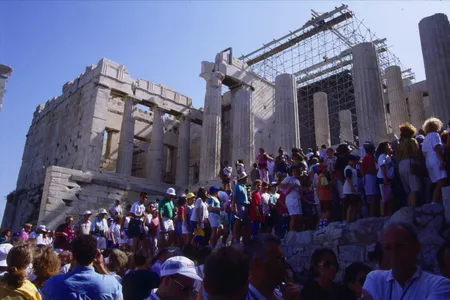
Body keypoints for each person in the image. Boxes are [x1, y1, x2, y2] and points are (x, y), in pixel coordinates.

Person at [363, 221, 450, 299]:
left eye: (400, 246)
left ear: (416, 247)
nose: (394, 253)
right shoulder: (375, 279)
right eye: (387, 248)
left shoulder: (439, 285)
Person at [42, 235, 122, 299]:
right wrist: (101, 266)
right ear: (96, 254)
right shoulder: (111, 285)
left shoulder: (52, 284)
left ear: (73, 255)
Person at [246, 234, 301, 300]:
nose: (285, 264)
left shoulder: (282, 294)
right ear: (257, 264)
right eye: (279, 259)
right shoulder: (241, 297)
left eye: (283, 259)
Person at [397, 123, 423, 208]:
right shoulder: (412, 141)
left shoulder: (399, 144)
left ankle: (408, 208)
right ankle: (413, 208)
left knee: (408, 190)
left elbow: (397, 157)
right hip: (410, 163)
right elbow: (416, 153)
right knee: (414, 188)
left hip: (401, 165)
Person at [422, 117, 447, 203]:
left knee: (437, 182)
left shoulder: (426, 138)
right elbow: (436, 147)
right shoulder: (434, 135)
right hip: (435, 159)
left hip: (428, 161)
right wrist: (442, 160)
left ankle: (438, 201)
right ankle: (434, 202)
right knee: (441, 181)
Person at [279, 165, 302, 232]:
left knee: (299, 216)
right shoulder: (288, 178)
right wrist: (291, 185)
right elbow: (281, 186)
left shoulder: (297, 180)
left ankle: (297, 231)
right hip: (291, 199)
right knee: (293, 216)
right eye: (293, 171)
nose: (294, 173)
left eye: (296, 171)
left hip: (297, 199)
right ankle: (291, 231)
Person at [232, 172, 251, 246]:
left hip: (245, 206)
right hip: (239, 205)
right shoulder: (237, 186)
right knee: (237, 222)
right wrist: (234, 206)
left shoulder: (244, 186)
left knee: (244, 223)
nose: (247, 179)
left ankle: (243, 239)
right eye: (246, 178)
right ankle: (235, 239)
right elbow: (234, 197)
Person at [376, 142, 395, 217]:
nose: (390, 147)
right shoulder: (382, 156)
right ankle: (382, 214)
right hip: (383, 179)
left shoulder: (387, 156)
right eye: (388, 146)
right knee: (384, 197)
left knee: (389, 198)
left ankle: (389, 214)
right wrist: (385, 178)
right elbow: (382, 166)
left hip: (389, 178)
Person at [361, 142, 378, 217]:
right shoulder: (368, 157)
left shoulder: (366, 157)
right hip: (370, 177)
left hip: (367, 177)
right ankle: (371, 214)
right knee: (372, 197)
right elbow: (371, 169)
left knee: (371, 197)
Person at [343, 155, 360, 223]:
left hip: (353, 189)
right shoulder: (348, 169)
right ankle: (348, 220)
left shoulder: (352, 168)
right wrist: (352, 187)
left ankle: (352, 219)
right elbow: (348, 178)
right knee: (351, 205)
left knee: (355, 204)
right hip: (349, 189)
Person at [317, 163, 332, 228]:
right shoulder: (322, 176)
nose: (325, 169)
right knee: (327, 211)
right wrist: (332, 182)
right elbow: (325, 185)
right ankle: (325, 225)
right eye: (324, 168)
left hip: (322, 196)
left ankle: (321, 226)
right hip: (326, 196)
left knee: (323, 211)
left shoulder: (319, 176)